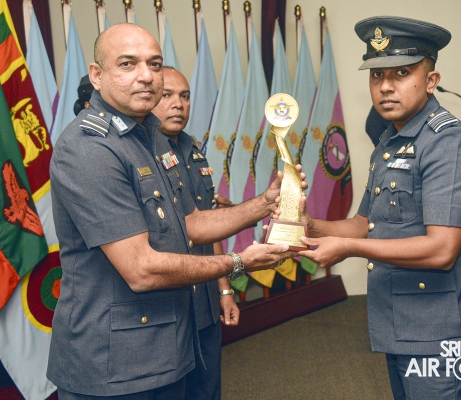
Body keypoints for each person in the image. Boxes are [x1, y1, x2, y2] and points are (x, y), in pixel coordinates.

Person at [47, 23, 301, 399]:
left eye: (154, 64)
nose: (146, 75)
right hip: (114, 366)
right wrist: (238, 263)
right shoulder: (89, 148)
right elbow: (141, 269)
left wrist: (265, 202)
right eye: (128, 64)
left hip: (168, 349)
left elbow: (191, 224)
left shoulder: (152, 138)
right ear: (97, 76)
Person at [299, 16, 461, 399]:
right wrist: (307, 225)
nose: (385, 86)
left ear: (431, 80)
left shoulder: (448, 142)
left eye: (401, 73)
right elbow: (364, 224)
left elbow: (442, 249)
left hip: (443, 334)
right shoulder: (391, 141)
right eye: (376, 75)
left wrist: (348, 249)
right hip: (401, 324)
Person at [152, 66, 236, 400]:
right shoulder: (144, 152)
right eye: (167, 95)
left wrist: (224, 290)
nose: (178, 104)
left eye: (185, 96)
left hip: (205, 300)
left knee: (208, 389)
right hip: (170, 304)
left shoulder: (192, 148)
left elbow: (207, 223)